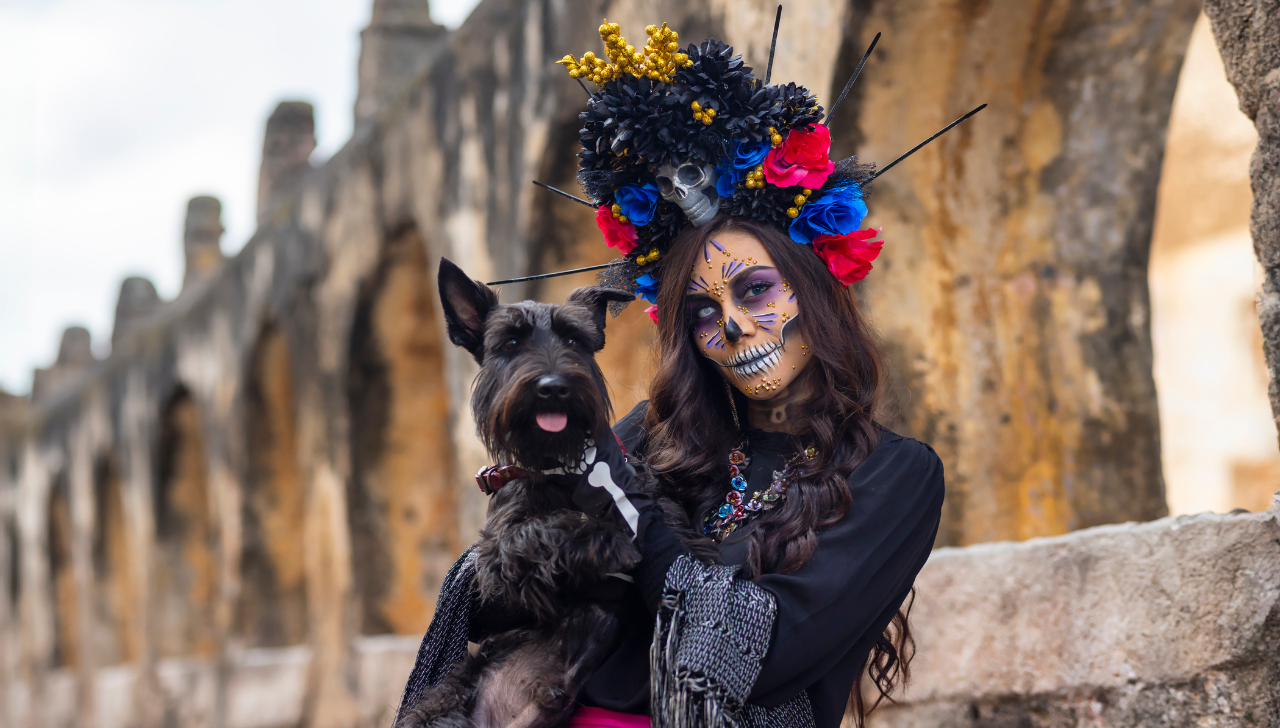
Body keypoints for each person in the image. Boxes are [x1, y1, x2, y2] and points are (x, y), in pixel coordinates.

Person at [397, 17, 946, 728]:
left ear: (811, 291)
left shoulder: (897, 475)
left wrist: (621, 504)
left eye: (755, 291)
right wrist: (531, 502)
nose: (733, 325)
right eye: (702, 311)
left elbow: (765, 656)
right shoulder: (652, 436)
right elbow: (497, 609)